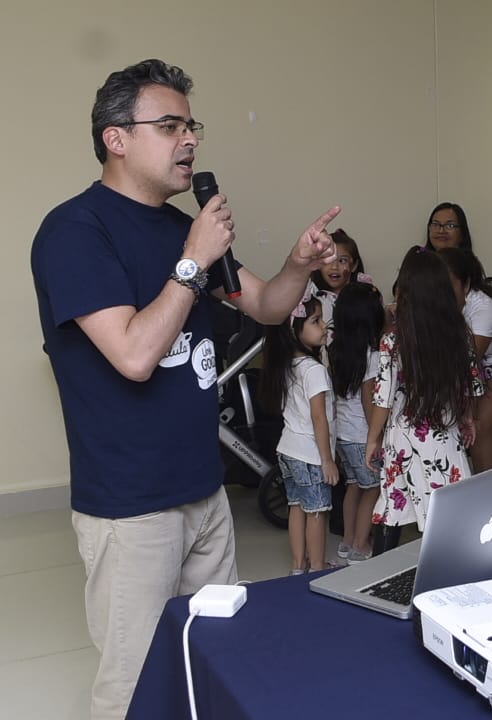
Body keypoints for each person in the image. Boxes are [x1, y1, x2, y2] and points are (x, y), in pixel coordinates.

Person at [29, 58, 339, 720]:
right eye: (168, 125)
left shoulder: (182, 228)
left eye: (190, 125)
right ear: (116, 138)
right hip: (130, 504)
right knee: (135, 685)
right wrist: (194, 260)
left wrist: (297, 263)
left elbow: (263, 305)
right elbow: (136, 355)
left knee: (211, 658)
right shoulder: (75, 231)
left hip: (204, 493)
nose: (189, 140)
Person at [365, 248, 485, 533]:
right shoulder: (461, 335)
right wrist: (468, 418)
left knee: (393, 507)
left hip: (402, 437)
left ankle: (382, 571)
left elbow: (383, 399)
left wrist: (372, 439)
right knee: (450, 510)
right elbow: (470, 385)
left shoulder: (393, 342)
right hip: (445, 432)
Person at [259, 295, 337, 574]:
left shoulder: (286, 366)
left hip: (288, 449)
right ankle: (316, 567)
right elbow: (319, 418)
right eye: (316, 321)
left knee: (296, 506)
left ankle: (297, 565)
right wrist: (327, 460)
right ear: (295, 330)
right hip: (310, 454)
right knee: (317, 512)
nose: (324, 325)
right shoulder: (313, 370)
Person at [439, 247, 492, 472]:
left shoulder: (484, 310)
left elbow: (466, 362)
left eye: (448, 286)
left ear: (466, 284)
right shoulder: (437, 304)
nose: (441, 293)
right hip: (466, 376)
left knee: (478, 426)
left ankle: (485, 495)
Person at [329, 282, 386, 564]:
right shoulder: (373, 356)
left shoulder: (335, 350)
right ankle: (362, 545)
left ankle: (348, 540)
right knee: (373, 488)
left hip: (343, 435)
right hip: (363, 435)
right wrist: (377, 436)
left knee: (353, 485)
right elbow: (369, 399)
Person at [310, 228, 371, 340]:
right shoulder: (312, 297)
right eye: (328, 260)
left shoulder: (367, 298)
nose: (334, 267)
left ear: (354, 266)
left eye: (342, 260)